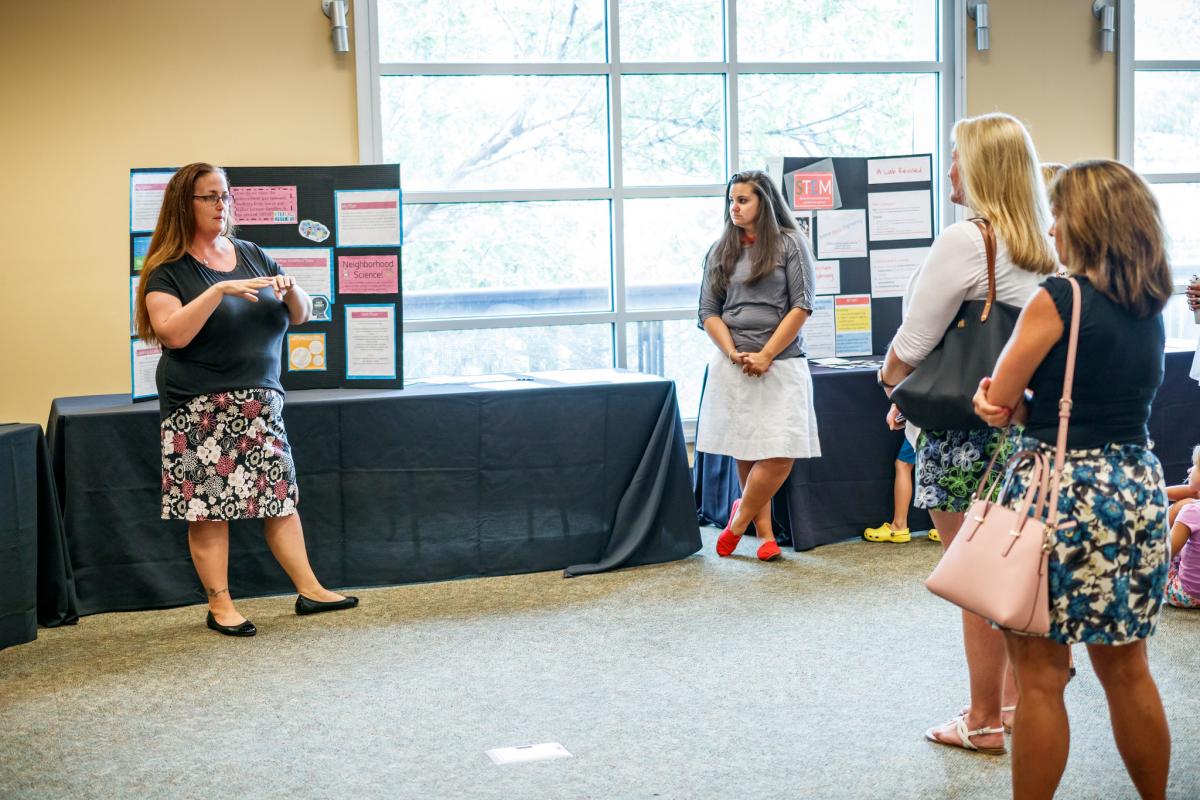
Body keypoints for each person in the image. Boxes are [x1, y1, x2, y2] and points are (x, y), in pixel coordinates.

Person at [974, 159, 1173, 799]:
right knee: (1128, 671)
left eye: (1058, 214)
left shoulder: (1059, 298)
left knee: (1040, 679)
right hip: (1135, 489)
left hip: (1060, 494)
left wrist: (995, 403)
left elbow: (1001, 397)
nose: (1051, 228)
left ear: (1085, 223)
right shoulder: (1151, 303)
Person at [877, 113, 1057, 754]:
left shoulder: (967, 239)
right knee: (1008, 574)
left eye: (956, 157)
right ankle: (1006, 703)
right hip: (1021, 428)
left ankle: (981, 719)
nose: (949, 169)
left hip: (962, 432)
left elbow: (917, 339)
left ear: (979, 169)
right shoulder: (1043, 245)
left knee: (974, 582)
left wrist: (891, 382)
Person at [134, 162, 358, 637]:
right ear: (184, 205)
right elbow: (171, 333)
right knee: (210, 508)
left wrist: (292, 286)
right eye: (210, 197)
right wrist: (217, 291)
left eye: (226, 196)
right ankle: (220, 605)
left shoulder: (252, 253)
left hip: (261, 405)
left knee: (279, 498)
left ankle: (311, 589)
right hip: (199, 407)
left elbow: (298, 315)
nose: (222, 205)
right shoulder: (167, 271)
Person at [696, 170, 820, 562]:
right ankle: (764, 534)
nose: (734, 207)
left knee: (781, 452)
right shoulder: (720, 250)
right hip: (734, 366)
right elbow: (707, 312)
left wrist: (766, 354)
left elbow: (802, 305)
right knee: (747, 450)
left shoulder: (791, 244)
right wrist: (734, 352)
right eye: (731, 200)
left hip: (781, 365)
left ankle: (738, 521)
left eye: (743, 200)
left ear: (763, 203)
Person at [862, 437, 940, 543]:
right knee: (942, 460)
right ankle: (951, 526)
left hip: (927, 422)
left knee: (904, 464)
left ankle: (899, 526)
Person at [1165, 447, 1200, 609]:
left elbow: (1166, 555)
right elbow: (1193, 491)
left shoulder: (1192, 511)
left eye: (1195, 466)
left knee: (1182, 507)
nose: (1189, 469)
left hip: (1186, 595)